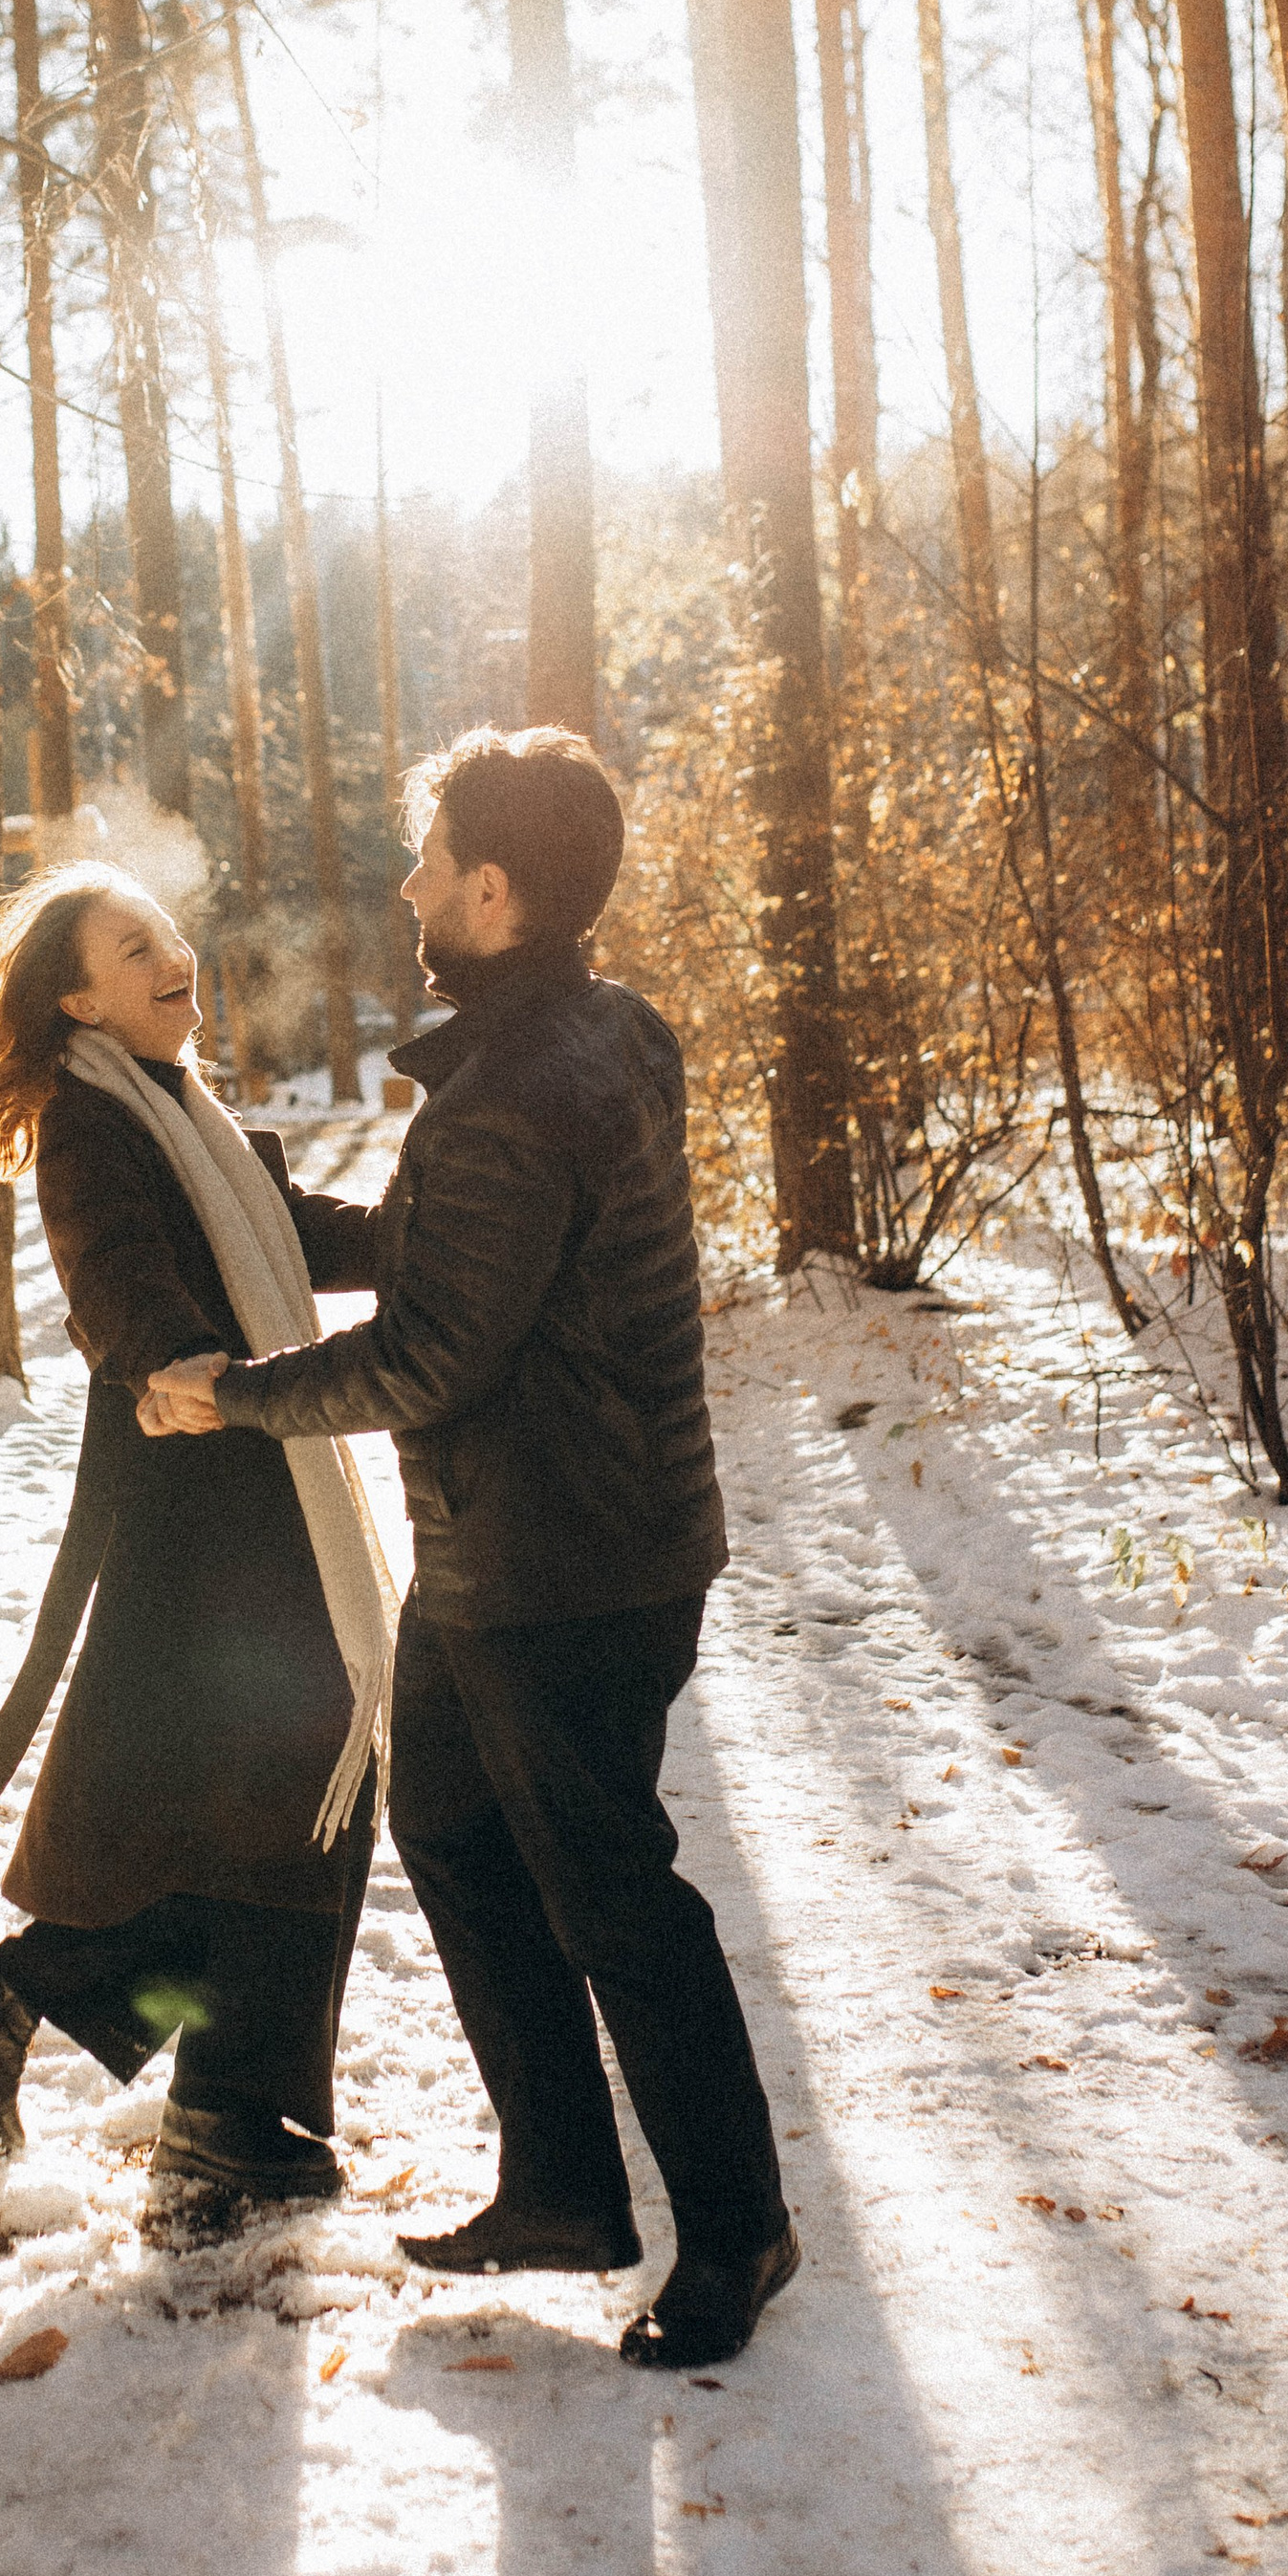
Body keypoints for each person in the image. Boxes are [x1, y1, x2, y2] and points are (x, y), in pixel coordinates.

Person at [142, 728, 797, 2368]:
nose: (411, 881)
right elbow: (476, 1275)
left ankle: (738, 2231)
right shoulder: (597, 1032)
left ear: (495, 892)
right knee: (446, 1815)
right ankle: (565, 2179)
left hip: (567, 1567)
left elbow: (434, 1354)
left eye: (434, 856)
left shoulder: (519, 1091)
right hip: (533, 1542)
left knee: (612, 1893)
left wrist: (229, 1396)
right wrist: (273, 1204)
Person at [0, 863, 397, 2208]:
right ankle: (194, 2097)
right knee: (292, 1803)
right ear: (78, 994)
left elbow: (293, 1237)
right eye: (137, 946)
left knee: (283, 1816)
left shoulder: (185, 1108)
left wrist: (434, 1239)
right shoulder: (95, 1121)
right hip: (206, 1496)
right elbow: (108, 1267)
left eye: (170, 933)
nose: (176, 953)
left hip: (253, 1481)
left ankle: (172, 2084)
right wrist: (176, 1362)